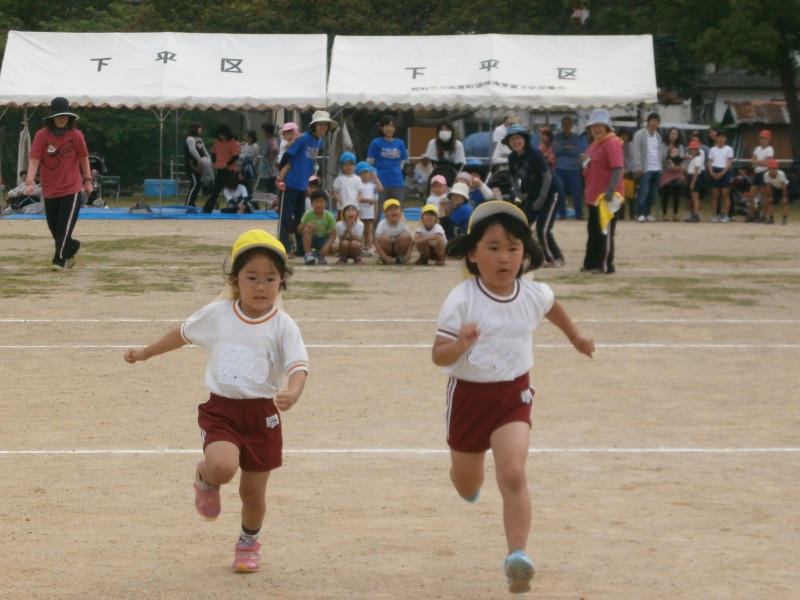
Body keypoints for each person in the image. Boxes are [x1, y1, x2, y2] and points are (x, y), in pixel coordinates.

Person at [431, 200, 594, 594]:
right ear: (473, 254)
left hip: (513, 395)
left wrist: (575, 337)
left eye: (513, 248)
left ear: (525, 254)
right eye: (493, 248)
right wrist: (460, 345)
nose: (504, 258)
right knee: (467, 485)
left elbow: (554, 307)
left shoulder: (533, 293)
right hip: (468, 399)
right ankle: (466, 479)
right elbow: (439, 355)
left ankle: (516, 556)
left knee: (514, 472)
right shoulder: (462, 299)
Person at [123, 229, 308, 574]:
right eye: (252, 277)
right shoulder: (218, 314)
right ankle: (205, 477)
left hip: (262, 416)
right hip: (222, 410)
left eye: (270, 278)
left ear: (282, 282)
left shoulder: (283, 326)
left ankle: (248, 543)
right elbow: (182, 334)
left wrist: (294, 391)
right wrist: (146, 352)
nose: (260, 286)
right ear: (235, 279)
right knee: (223, 468)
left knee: (253, 494)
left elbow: (299, 366)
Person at [25, 97, 92, 271]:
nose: (62, 119)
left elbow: (83, 158)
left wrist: (88, 180)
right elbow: (34, 160)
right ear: (52, 118)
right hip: (49, 190)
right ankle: (72, 247)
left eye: (65, 116)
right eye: (58, 116)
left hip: (71, 188)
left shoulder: (76, 135)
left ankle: (58, 260)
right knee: (55, 228)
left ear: (70, 118)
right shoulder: (41, 135)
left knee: (64, 227)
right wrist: (30, 182)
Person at [504, 123, 566, 268]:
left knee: (542, 229)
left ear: (524, 138)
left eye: (518, 138)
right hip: (533, 193)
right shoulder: (512, 157)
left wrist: (541, 199)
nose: (515, 142)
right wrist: (519, 193)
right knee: (522, 226)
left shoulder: (534, 153)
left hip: (551, 192)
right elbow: (514, 177)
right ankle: (526, 255)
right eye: (512, 139)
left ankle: (556, 258)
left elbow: (547, 177)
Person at [277, 110, 334, 255]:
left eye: (325, 125)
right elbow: (287, 157)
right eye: (319, 124)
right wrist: (281, 177)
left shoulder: (318, 141)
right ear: (313, 126)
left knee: (300, 219)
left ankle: (301, 248)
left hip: (302, 185)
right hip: (290, 183)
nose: (322, 128)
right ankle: (284, 247)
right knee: (285, 218)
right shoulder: (303, 139)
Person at [581, 109, 625, 275]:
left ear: (607, 127)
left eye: (600, 126)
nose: (597, 129)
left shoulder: (612, 143)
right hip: (593, 196)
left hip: (607, 197)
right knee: (593, 231)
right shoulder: (594, 145)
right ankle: (590, 263)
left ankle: (605, 265)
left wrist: (611, 192)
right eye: (594, 126)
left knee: (604, 232)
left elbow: (618, 168)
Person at [367, 115, 408, 208]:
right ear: (381, 127)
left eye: (392, 126)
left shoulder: (400, 143)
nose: (390, 128)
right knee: (377, 210)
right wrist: (373, 179)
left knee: (397, 210)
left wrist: (396, 171)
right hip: (380, 182)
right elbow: (370, 162)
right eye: (387, 126)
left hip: (397, 182)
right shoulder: (375, 143)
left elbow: (403, 160)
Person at [552, 116, 586, 219]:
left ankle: (579, 214)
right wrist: (568, 147)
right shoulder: (556, 137)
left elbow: (577, 151)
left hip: (573, 168)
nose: (566, 126)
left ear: (571, 125)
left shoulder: (576, 137)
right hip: (560, 168)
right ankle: (562, 214)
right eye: (564, 124)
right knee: (560, 192)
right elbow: (555, 151)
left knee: (577, 192)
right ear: (561, 125)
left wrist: (562, 147)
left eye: (568, 124)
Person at [631, 112, 662, 222]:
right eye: (653, 121)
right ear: (648, 122)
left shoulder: (658, 136)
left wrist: (660, 167)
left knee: (652, 193)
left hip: (656, 168)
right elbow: (636, 151)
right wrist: (638, 166)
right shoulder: (640, 134)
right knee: (643, 192)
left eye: (657, 121)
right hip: (645, 169)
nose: (654, 123)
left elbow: (659, 152)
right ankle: (640, 213)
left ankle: (648, 213)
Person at [202, 124, 240, 214]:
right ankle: (207, 209)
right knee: (215, 190)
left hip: (230, 170)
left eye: (223, 135)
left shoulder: (232, 142)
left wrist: (227, 164)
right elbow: (213, 153)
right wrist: (213, 161)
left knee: (232, 189)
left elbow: (236, 156)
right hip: (220, 170)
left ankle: (238, 207)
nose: (221, 137)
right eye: (220, 135)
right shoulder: (217, 142)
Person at [298, 188, 337, 265]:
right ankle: (308, 254)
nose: (319, 204)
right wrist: (306, 225)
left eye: (321, 202)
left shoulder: (329, 216)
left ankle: (320, 255)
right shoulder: (308, 214)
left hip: (323, 239)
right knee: (309, 227)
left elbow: (333, 234)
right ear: (312, 204)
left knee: (336, 246)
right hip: (312, 238)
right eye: (316, 202)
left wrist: (327, 245)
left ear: (325, 203)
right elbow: (299, 230)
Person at [707, 129, 734, 223]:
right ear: (716, 138)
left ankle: (726, 215)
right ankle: (714, 215)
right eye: (719, 136)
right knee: (715, 196)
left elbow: (729, 162)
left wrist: (723, 172)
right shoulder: (712, 149)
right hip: (714, 170)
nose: (721, 139)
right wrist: (711, 172)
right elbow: (710, 162)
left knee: (725, 195)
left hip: (725, 171)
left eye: (723, 137)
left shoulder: (729, 149)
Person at [375, 198, 412, 265]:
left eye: (396, 209)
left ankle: (400, 257)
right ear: (385, 213)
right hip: (386, 250)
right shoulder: (382, 224)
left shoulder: (404, 224)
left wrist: (408, 254)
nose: (393, 211)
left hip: (398, 248)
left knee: (405, 235)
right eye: (390, 209)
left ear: (400, 211)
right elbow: (376, 242)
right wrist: (385, 256)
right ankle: (383, 258)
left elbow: (411, 240)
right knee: (385, 237)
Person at [355, 162, 382, 255]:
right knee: (361, 231)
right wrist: (368, 200)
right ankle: (361, 247)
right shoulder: (358, 186)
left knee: (368, 231)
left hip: (369, 213)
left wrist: (376, 179)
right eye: (361, 173)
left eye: (366, 173)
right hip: (360, 212)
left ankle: (369, 246)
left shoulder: (372, 186)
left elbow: (380, 189)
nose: (364, 175)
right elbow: (358, 199)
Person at [659, 127, 685, 221]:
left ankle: (675, 214)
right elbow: (663, 158)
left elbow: (681, 159)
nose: (673, 136)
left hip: (677, 171)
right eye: (672, 133)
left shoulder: (680, 147)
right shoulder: (663, 146)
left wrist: (678, 166)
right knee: (667, 188)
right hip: (666, 171)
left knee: (677, 187)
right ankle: (665, 213)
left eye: (675, 134)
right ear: (668, 134)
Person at [184, 122, 210, 208]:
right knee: (195, 183)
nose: (200, 130)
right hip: (191, 165)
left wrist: (209, 159)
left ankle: (192, 203)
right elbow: (192, 150)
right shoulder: (190, 139)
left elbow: (204, 150)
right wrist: (199, 159)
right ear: (195, 129)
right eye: (199, 128)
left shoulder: (199, 139)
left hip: (199, 165)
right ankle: (188, 204)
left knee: (198, 184)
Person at [750, 130, 774, 222]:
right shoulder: (757, 149)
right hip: (757, 172)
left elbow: (766, 163)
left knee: (764, 195)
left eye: (765, 138)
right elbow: (753, 161)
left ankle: (763, 215)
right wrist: (759, 162)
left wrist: (757, 162)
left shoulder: (770, 149)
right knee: (751, 193)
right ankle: (751, 214)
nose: (763, 140)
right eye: (762, 138)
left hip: (764, 173)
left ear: (769, 140)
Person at [332, 152, 364, 218]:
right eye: (346, 164)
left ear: (355, 165)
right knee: (341, 225)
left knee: (355, 226)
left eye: (351, 164)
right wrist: (341, 202)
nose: (348, 167)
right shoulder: (339, 179)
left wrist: (355, 202)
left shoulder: (358, 179)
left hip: (354, 209)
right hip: (342, 208)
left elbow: (361, 193)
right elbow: (335, 192)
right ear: (342, 166)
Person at [763, 159, 789, 225]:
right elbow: (768, 186)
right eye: (770, 168)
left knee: (784, 202)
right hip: (775, 187)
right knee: (771, 202)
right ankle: (771, 218)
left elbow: (784, 186)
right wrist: (770, 196)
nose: (771, 170)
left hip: (784, 187)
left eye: (773, 168)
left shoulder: (781, 174)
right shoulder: (766, 175)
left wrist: (784, 197)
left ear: (776, 168)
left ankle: (784, 218)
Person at [685, 141, 705, 222]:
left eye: (694, 150)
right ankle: (693, 214)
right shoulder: (693, 159)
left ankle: (696, 214)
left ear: (697, 151)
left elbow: (696, 171)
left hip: (695, 178)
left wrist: (693, 182)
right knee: (692, 198)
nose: (692, 151)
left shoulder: (697, 159)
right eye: (691, 149)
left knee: (695, 198)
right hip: (691, 177)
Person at [257, 123, 280, 195]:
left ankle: (274, 204)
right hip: (267, 171)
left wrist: (270, 156)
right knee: (269, 190)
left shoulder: (272, 141)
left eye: (263, 131)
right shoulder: (269, 140)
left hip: (270, 171)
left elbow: (273, 153)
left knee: (271, 190)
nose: (263, 133)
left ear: (267, 132)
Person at [237, 129, 259, 195]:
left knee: (246, 187)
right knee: (241, 187)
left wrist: (237, 156)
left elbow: (246, 157)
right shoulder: (245, 145)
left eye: (248, 137)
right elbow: (238, 150)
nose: (246, 138)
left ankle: (251, 202)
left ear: (251, 138)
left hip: (247, 169)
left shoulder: (255, 147)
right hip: (239, 169)